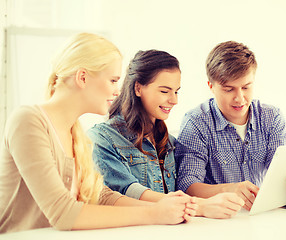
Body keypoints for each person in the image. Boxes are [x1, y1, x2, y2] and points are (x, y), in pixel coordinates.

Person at [0, 33, 198, 233]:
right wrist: (154, 214)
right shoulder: (28, 121)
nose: (118, 91)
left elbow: (101, 195)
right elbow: (63, 213)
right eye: (113, 80)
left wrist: (163, 207)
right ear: (83, 77)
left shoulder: (77, 134)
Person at [88, 49, 244, 219]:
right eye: (164, 91)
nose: (174, 100)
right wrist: (198, 206)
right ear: (138, 88)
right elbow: (127, 191)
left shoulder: (170, 143)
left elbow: (187, 185)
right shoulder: (102, 138)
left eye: (176, 91)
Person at [175, 40, 286, 211]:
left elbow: (281, 179)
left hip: (263, 215)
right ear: (211, 86)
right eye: (229, 89)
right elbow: (186, 185)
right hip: (217, 222)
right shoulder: (196, 122)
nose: (240, 98)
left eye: (246, 87)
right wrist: (228, 189)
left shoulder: (272, 117)